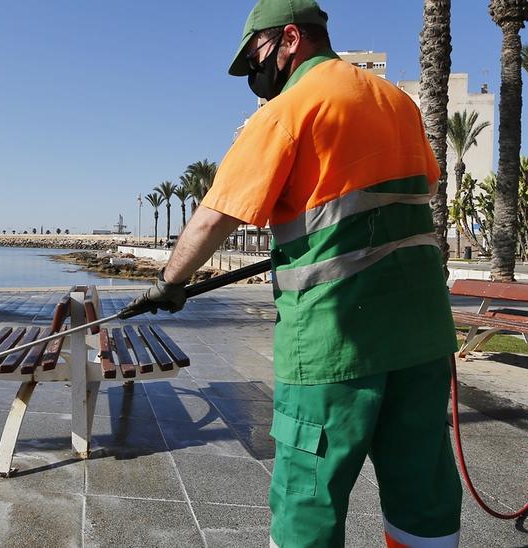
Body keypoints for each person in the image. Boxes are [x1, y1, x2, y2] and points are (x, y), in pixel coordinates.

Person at [121, 2, 461, 545]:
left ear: (290, 39)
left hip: (337, 339)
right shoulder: (399, 102)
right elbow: (396, 201)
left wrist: (171, 283)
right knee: (423, 485)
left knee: (310, 490)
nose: (254, 74)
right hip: (423, 335)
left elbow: (216, 215)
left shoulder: (291, 108)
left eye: (256, 54)